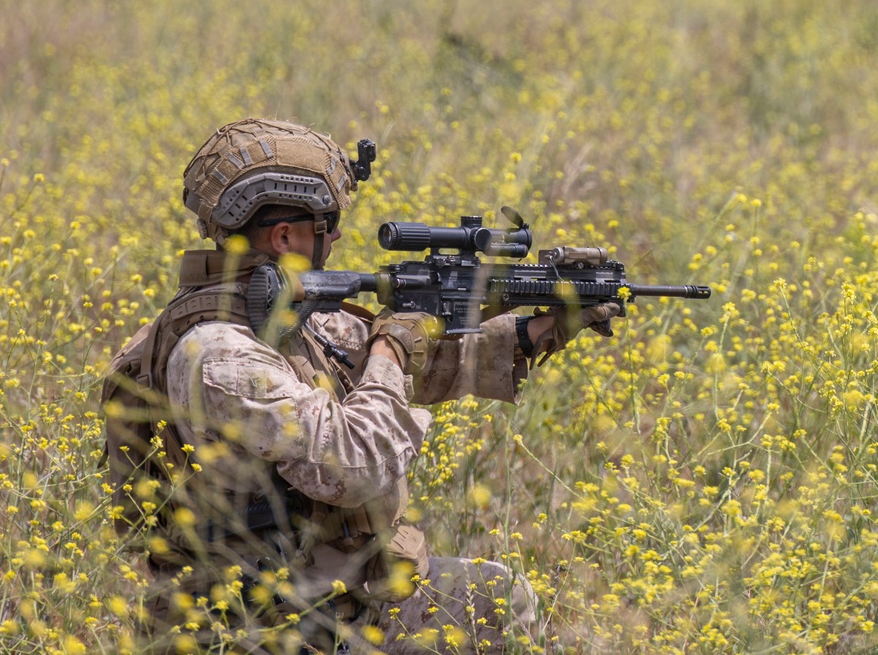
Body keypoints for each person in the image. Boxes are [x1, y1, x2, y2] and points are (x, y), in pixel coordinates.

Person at [129, 118, 619, 654]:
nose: (336, 236)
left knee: (496, 595)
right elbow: (354, 465)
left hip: (323, 595)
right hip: (254, 625)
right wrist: (390, 347)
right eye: (328, 222)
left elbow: (420, 362)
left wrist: (541, 327)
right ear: (286, 236)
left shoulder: (279, 317)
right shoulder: (220, 354)